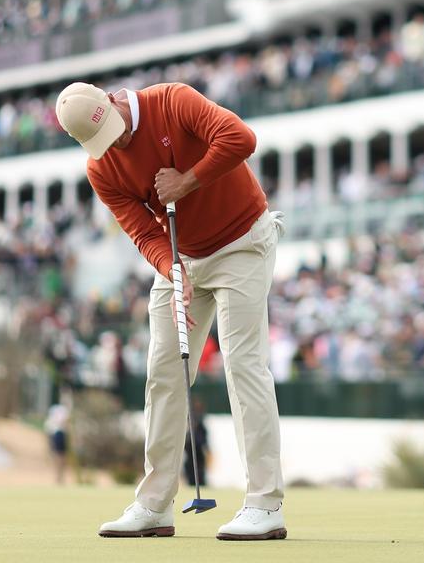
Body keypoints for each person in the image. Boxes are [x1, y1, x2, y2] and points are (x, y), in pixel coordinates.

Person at [56, 81, 287, 541]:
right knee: (163, 371)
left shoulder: (173, 101)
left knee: (243, 364)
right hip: (183, 257)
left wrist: (188, 179)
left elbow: (241, 138)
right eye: (102, 144)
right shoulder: (101, 169)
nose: (116, 145)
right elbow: (143, 231)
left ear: (114, 100)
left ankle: (265, 504)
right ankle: (154, 504)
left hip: (242, 241)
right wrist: (172, 269)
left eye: (116, 131)